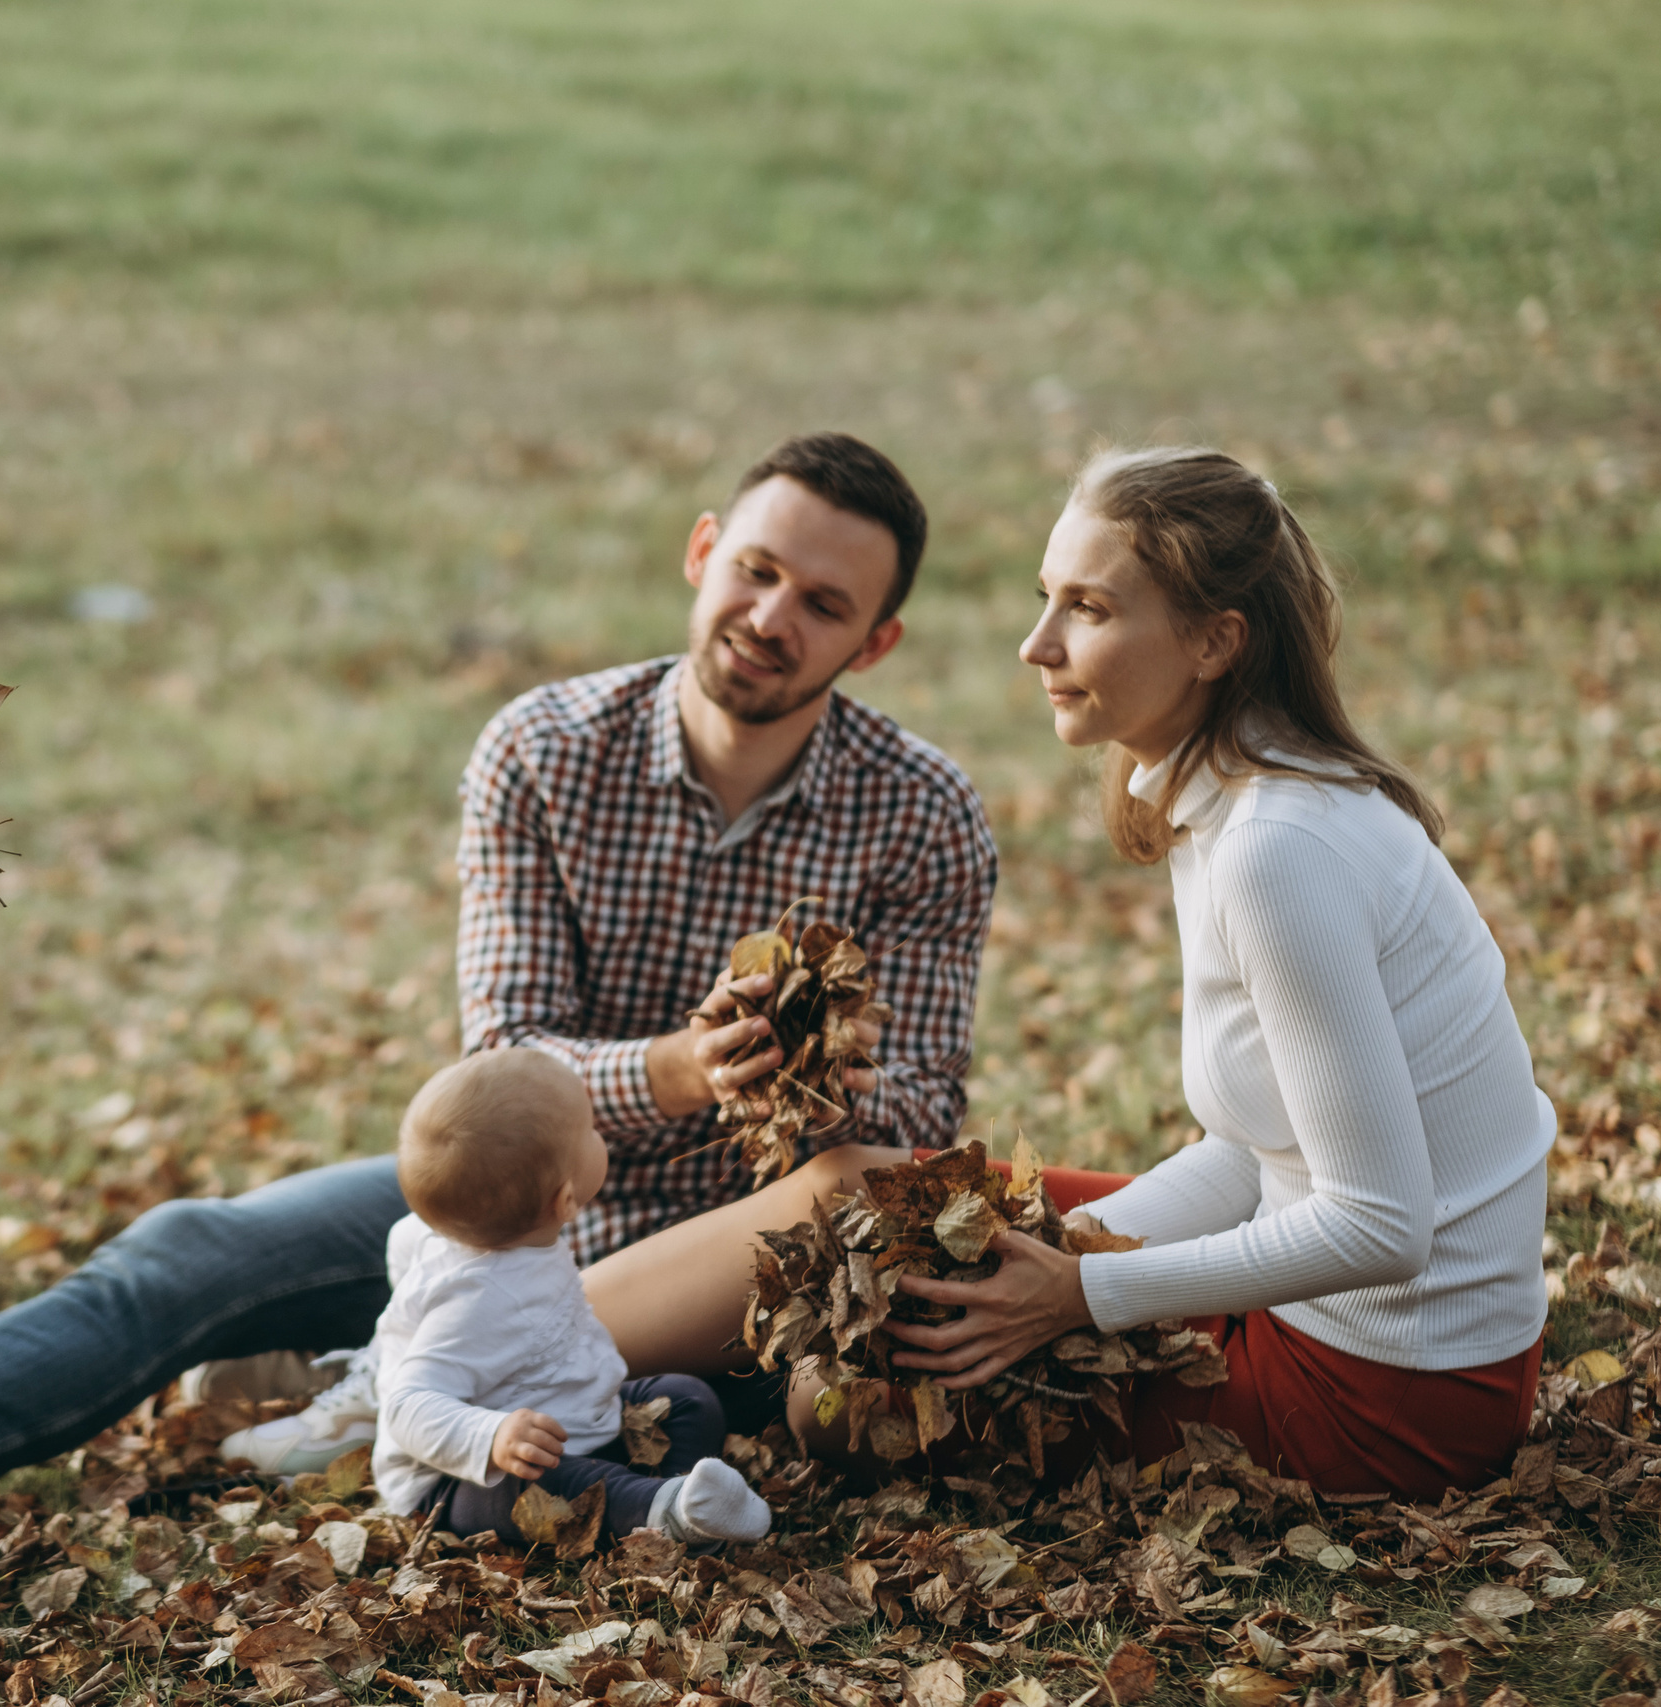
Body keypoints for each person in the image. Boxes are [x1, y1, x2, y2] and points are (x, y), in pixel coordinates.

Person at [0, 431, 995, 1533]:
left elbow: (915, 1117)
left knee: (851, 1187)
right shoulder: (544, 749)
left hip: (731, 1259)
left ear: (873, 643)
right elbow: (497, 1056)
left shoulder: (926, 811)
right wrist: (676, 1070)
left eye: (822, 603)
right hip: (502, 1196)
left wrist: (802, 1068)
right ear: (702, 551)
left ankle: (379, 1373)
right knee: (194, 1245)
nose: (771, 615)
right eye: (756, 568)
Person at [579, 446, 1553, 1503]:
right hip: (1312, 1309)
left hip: (1382, 1397)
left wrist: (1081, 1291)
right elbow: (1257, 1152)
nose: (1035, 645)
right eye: (1046, 599)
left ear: (1213, 642)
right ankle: (493, 1357)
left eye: (1086, 609)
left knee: (840, 1398)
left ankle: (494, 1369)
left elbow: (1381, 1224)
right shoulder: (1225, 799)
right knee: (859, 1202)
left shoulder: (1281, 849)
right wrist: (1057, 1249)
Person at [374, 1051, 769, 1546]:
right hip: (460, 1480)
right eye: (590, 1130)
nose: (599, 1132)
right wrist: (490, 1436)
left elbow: (405, 1244)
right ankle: (661, 1512)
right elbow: (406, 1406)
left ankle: (676, 1495)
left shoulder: (477, 1237)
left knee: (688, 1398)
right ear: (564, 1201)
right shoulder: (476, 1300)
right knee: (549, 1489)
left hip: (573, 1414)